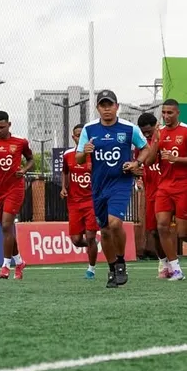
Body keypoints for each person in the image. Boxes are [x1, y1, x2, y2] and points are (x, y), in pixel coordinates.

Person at [77, 90, 152, 288]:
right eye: (103, 105)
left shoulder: (129, 128)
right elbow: (78, 158)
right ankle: (111, 269)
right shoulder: (89, 129)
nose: (107, 109)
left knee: (115, 223)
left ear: (117, 107)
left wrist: (136, 163)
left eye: (110, 105)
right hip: (99, 185)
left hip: (121, 182)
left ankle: (120, 261)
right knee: (105, 231)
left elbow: (146, 148)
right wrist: (84, 152)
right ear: (97, 108)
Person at [153, 99, 187, 280]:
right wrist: (155, 141)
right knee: (161, 226)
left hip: (185, 185)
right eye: (164, 112)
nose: (166, 116)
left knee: (182, 232)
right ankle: (176, 269)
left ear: (177, 113)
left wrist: (176, 159)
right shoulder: (159, 132)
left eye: (170, 112)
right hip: (164, 186)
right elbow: (150, 160)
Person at [0, 111, 35, 280]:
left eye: (2, 127)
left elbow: (31, 159)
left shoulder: (20, 141)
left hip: (15, 189)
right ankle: (20, 262)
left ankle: (5, 266)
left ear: (9, 125)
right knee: (6, 228)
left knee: (6, 225)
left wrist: (24, 170)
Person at [136, 113, 173, 276]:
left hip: (171, 190)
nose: (146, 135)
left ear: (156, 126)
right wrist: (137, 176)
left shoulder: (166, 138)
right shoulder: (140, 145)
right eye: (143, 132)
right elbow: (138, 166)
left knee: (183, 231)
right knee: (154, 232)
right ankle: (164, 263)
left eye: (149, 131)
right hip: (151, 193)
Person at [61, 124, 99, 280]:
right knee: (76, 240)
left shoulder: (95, 154)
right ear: (73, 137)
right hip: (74, 202)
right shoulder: (68, 155)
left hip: (91, 201)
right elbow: (65, 172)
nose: (80, 138)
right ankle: (93, 245)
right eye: (77, 135)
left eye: (82, 135)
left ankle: (91, 269)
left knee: (90, 236)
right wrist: (63, 187)